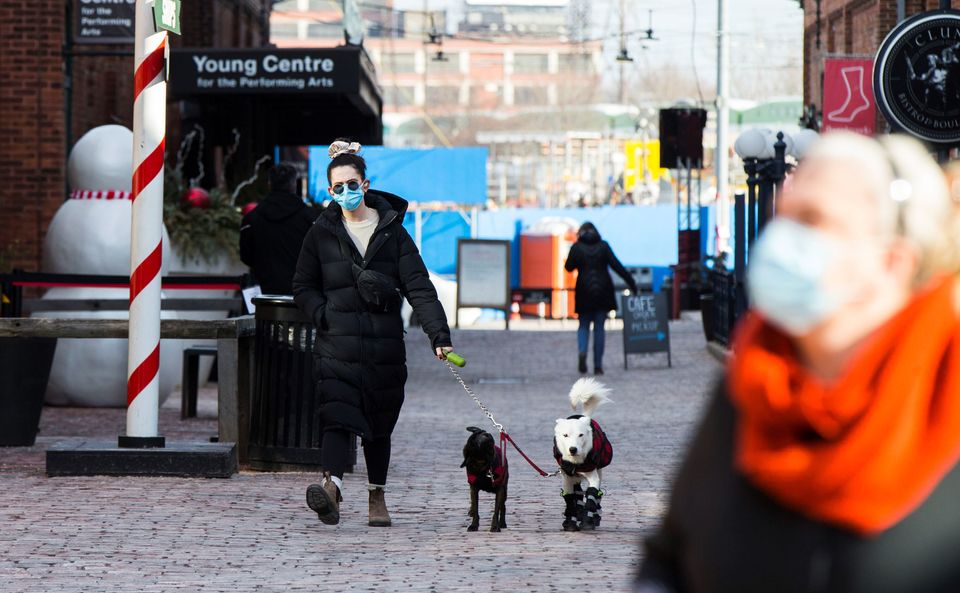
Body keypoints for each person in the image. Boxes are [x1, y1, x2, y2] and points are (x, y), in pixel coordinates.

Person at [635, 132, 960, 593]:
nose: (784, 240)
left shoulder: (948, 398)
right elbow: (672, 553)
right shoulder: (751, 384)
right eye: (784, 219)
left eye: (813, 220)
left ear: (893, 261)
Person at [293, 139, 454, 528]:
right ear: (330, 191)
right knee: (335, 414)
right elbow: (303, 285)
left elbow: (419, 287)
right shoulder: (321, 232)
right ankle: (330, 487)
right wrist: (322, 313)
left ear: (365, 184)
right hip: (337, 343)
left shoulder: (393, 233)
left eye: (352, 185)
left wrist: (438, 336)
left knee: (378, 423)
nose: (345, 193)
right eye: (337, 188)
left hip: (383, 345)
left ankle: (376, 494)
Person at [564, 222, 638, 375]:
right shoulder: (603, 246)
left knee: (583, 325)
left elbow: (569, 267)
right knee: (599, 328)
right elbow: (617, 266)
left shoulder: (577, 247)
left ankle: (582, 351)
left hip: (584, 290)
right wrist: (631, 283)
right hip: (603, 291)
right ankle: (598, 365)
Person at [239, 162, 320, 295]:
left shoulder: (251, 220)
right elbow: (321, 254)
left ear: (269, 184)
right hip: (303, 296)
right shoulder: (311, 218)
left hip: (263, 296)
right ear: (294, 184)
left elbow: (246, 256)